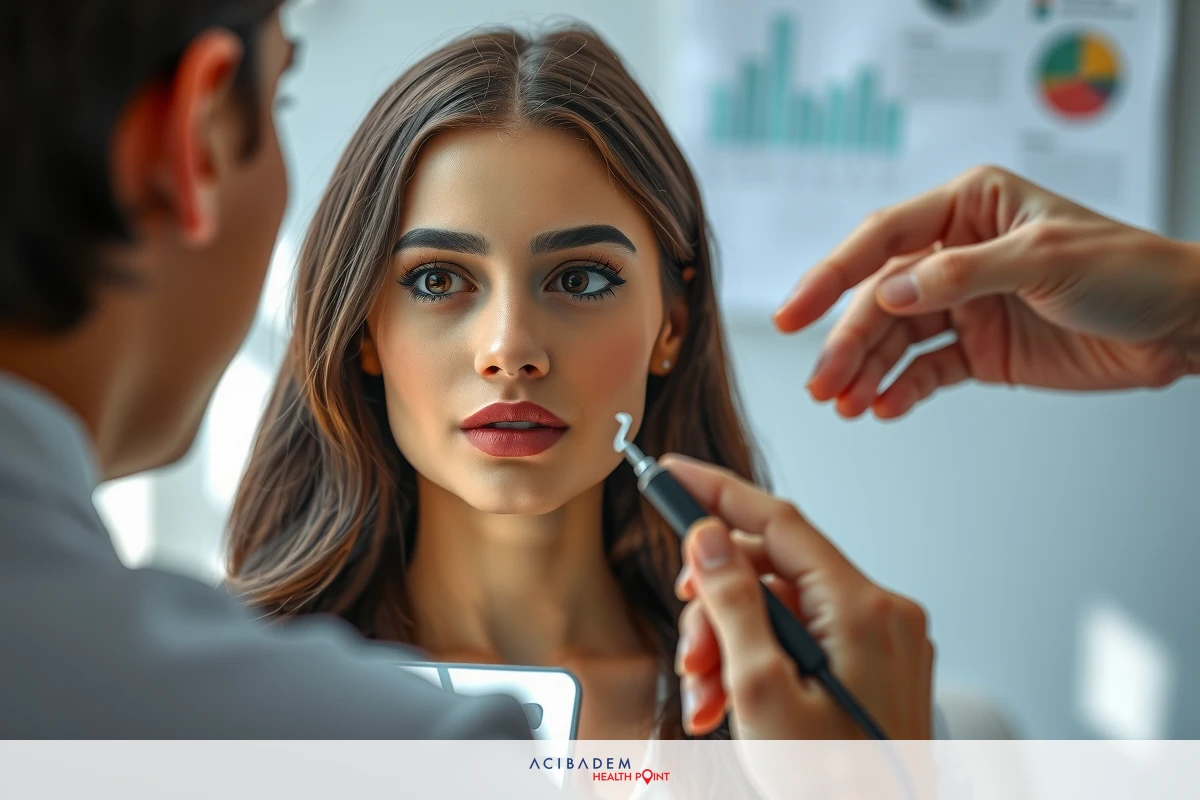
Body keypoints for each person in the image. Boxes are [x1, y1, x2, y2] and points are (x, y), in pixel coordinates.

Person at [0, 0, 931, 747]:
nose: (510, 348)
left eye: (581, 279)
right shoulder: (218, 717)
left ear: (672, 325)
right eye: (439, 280)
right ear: (362, 327)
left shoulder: (811, 723)